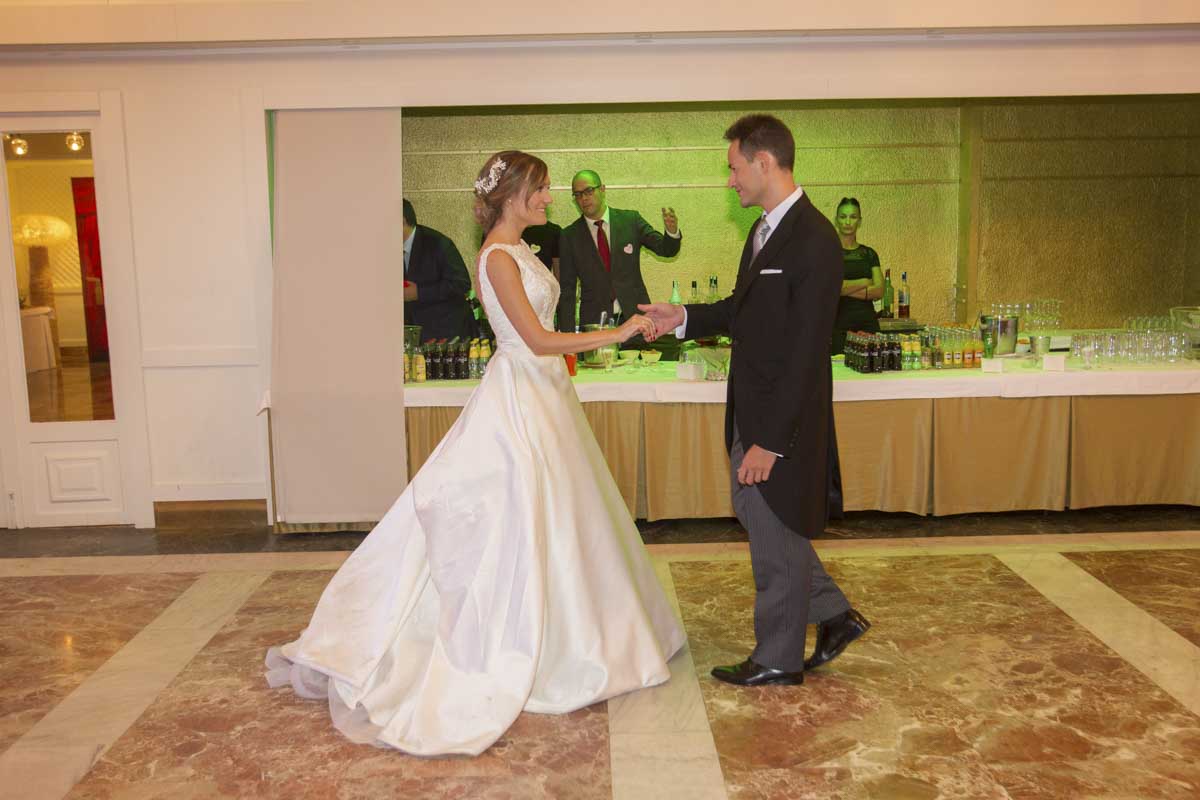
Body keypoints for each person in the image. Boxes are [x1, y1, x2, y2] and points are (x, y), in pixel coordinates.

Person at [266, 150, 685, 757]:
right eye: (541, 189)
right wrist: (614, 333)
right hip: (519, 395)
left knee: (564, 519)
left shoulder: (524, 250)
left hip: (548, 395)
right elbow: (536, 339)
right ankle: (522, 641)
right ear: (513, 195)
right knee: (517, 513)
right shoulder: (495, 257)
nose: (550, 198)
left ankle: (582, 634)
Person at [640, 114, 869, 687]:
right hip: (753, 408)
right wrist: (682, 317)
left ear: (763, 163)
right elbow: (742, 311)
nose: (730, 180)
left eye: (734, 168)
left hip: (780, 421)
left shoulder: (814, 239)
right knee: (759, 516)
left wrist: (771, 441)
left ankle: (778, 658)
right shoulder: (764, 231)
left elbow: (806, 352)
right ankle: (833, 614)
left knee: (773, 532)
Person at [556, 170, 681, 335]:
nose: (583, 198)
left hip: (637, 320)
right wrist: (568, 337)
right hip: (596, 326)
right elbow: (567, 291)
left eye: (588, 191)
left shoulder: (630, 221)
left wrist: (671, 232)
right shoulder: (569, 235)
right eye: (577, 195)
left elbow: (666, 250)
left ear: (602, 189)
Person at [402, 198, 473, 342]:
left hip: (447, 334)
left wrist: (419, 293)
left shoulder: (437, 243)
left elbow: (461, 284)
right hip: (414, 335)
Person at [832, 197, 884, 355]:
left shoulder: (869, 254)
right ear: (836, 220)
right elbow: (830, 288)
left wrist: (844, 287)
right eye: (843, 216)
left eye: (853, 217)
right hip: (838, 326)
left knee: (871, 368)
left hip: (867, 326)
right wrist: (864, 282)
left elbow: (879, 291)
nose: (848, 221)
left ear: (859, 221)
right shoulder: (828, 252)